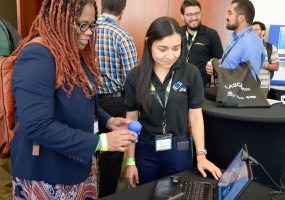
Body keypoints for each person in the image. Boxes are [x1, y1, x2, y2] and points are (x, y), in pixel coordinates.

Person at [10, 0, 137, 199]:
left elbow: (85, 98)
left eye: (92, 25)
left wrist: (108, 120)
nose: (89, 32)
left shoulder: (74, 54)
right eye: (82, 24)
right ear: (59, 21)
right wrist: (99, 142)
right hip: (47, 172)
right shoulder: (37, 55)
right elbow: (36, 125)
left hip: (78, 165)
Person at [124, 16, 222, 188]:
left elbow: (196, 116)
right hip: (146, 149)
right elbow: (132, 120)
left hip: (179, 148)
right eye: (162, 49)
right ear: (149, 43)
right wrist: (130, 162)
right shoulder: (135, 76)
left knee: (178, 192)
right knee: (146, 192)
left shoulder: (190, 73)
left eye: (176, 48)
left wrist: (201, 154)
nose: (170, 56)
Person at [95, 0, 139, 197]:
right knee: (112, 159)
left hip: (89, 102)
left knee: (90, 151)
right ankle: (107, 195)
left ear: (101, 5)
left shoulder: (86, 31)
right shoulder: (122, 36)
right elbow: (133, 79)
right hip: (115, 104)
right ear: (122, 10)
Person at [206, 0, 265, 81]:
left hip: (236, 93)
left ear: (241, 17)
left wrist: (220, 70)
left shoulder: (251, 43)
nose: (226, 17)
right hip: (225, 91)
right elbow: (232, 64)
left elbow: (248, 81)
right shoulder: (235, 37)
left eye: (230, 13)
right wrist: (216, 64)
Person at [180, 0, 223, 87]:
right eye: (189, 15)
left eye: (197, 13)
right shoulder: (177, 33)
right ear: (182, 16)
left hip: (201, 87)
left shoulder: (211, 34)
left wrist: (215, 66)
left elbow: (220, 60)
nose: (194, 17)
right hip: (178, 84)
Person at [252, 21, 280, 97]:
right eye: (251, 30)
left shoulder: (270, 48)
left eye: (256, 30)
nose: (253, 32)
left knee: (260, 108)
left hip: (262, 86)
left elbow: (276, 67)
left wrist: (262, 64)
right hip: (246, 85)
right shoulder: (245, 47)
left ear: (263, 32)